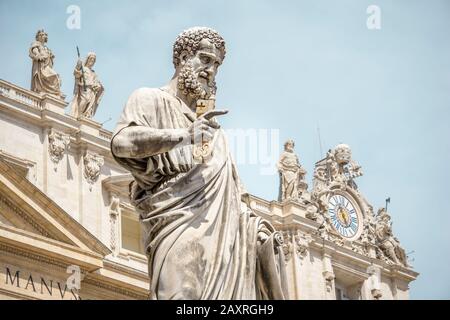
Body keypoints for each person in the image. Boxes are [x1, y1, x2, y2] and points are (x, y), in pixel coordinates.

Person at [111, 27, 286, 300]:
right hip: (176, 227)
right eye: (205, 59)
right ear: (182, 58)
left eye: (216, 64)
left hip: (224, 244)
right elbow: (122, 143)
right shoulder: (149, 98)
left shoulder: (214, 132)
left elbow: (235, 198)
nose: (211, 70)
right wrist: (184, 137)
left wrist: (255, 232)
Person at [29, 30, 63, 98]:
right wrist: (38, 55)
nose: (43, 36)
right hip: (41, 66)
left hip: (46, 65)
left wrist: (50, 56)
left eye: (44, 35)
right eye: (41, 35)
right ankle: (50, 92)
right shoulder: (36, 44)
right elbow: (34, 51)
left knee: (57, 77)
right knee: (54, 76)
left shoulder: (46, 48)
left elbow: (49, 56)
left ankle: (53, 92)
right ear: (38, 37)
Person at [70, 52, 104, 118]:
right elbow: (76, 74)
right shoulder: (83, 68)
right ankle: (78, 114)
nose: (92, 61)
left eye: (94, 60)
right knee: (85, 100)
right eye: (91, 59)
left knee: (90, 103)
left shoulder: (93, 73)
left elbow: (97, 82)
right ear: (87, 59)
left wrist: (98, 86)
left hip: (92, 90)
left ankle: (85, 115)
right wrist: (78, 65)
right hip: (84, 88)